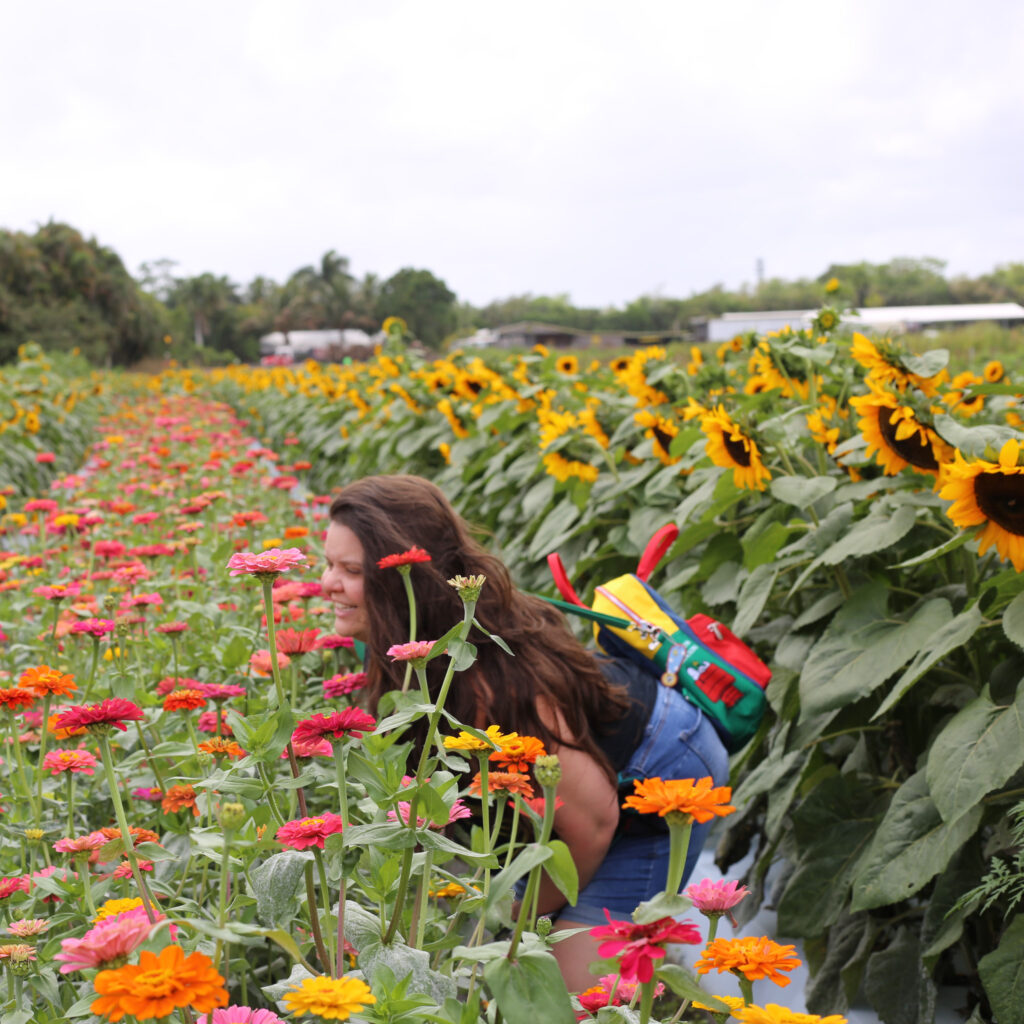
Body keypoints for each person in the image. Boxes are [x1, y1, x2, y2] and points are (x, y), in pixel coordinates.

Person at [321, 474, 729, 990]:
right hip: (579, 780)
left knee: (571, 994)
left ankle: (643, 967)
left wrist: (505, 924)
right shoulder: (403, 645)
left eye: (350, 570)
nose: (326, 583)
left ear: (408, 581)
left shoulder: (492, 683)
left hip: (662, 765)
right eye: (329, 563)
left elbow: (594, 825)